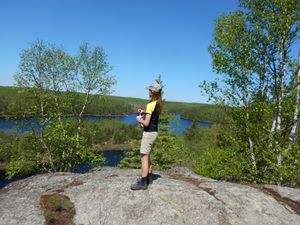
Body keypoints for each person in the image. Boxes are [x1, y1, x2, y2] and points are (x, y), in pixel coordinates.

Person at [130, 82, 162, 190]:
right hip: (154, 133)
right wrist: (144, 111)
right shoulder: (158, 103)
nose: (148, 92)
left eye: (149, 90)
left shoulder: (150, 104)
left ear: (152, 92)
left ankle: (143, 183)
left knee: (143, 156)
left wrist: (139, 119)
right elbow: (153, 116)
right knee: (147, 155)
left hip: (148, 133)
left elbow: (147, 123)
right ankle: (149, 176)